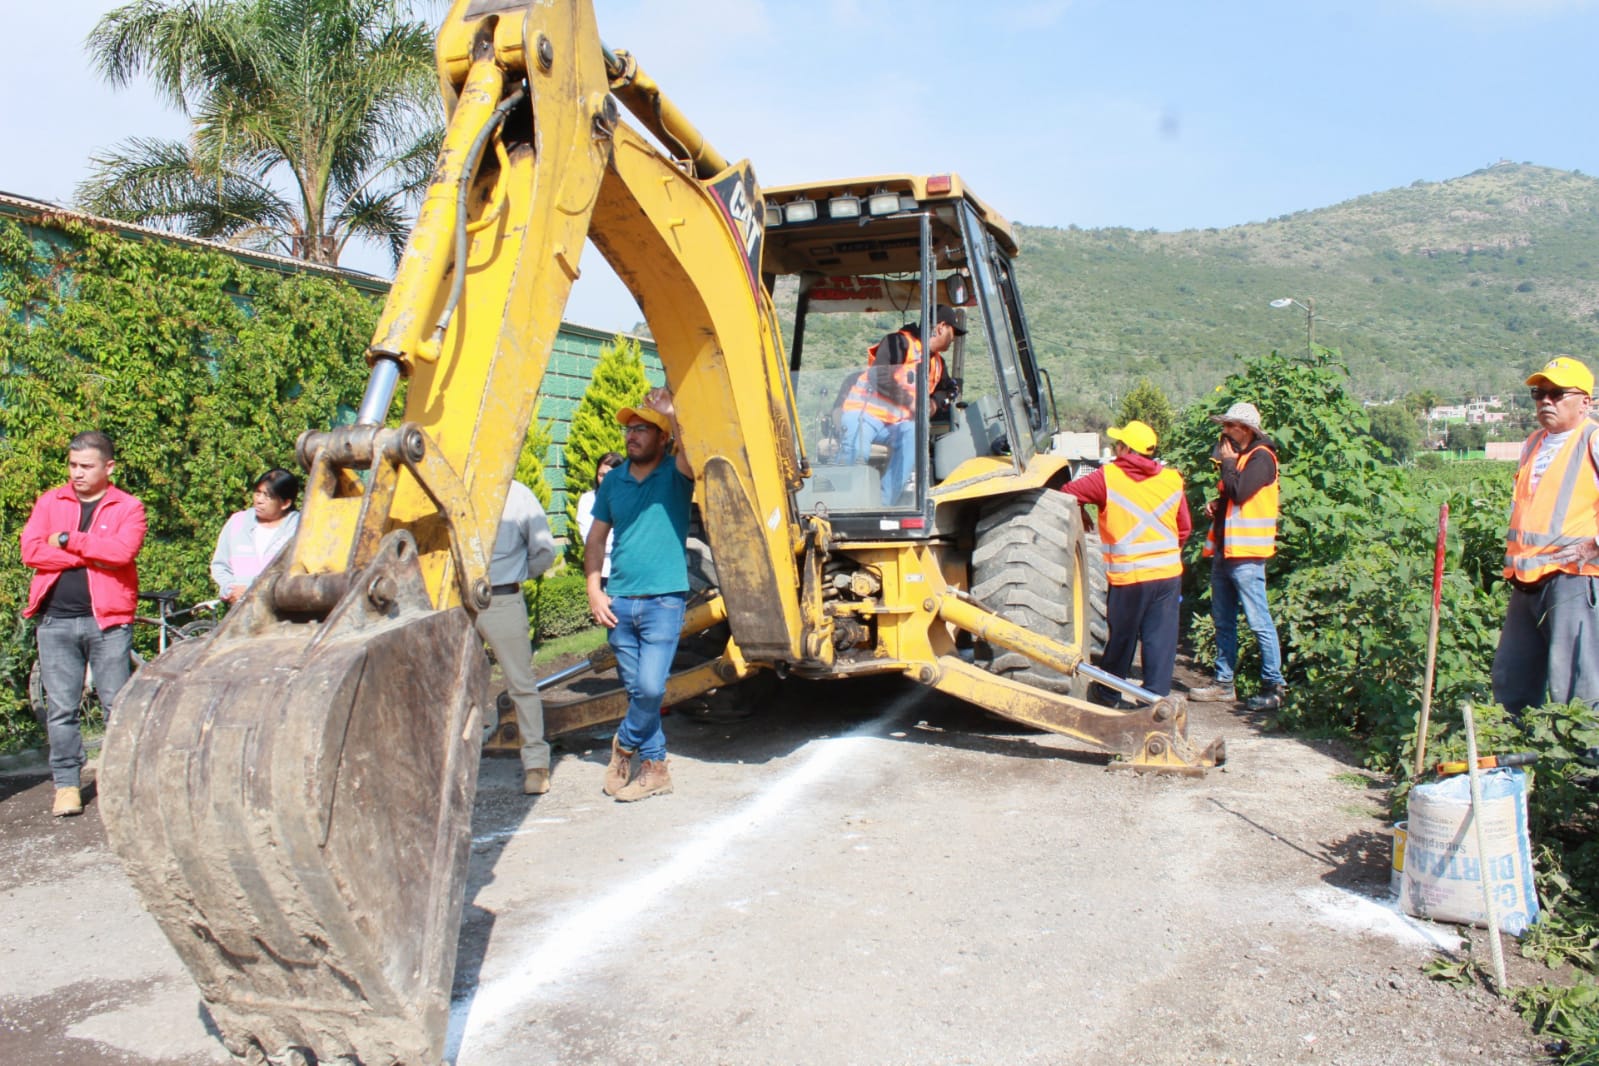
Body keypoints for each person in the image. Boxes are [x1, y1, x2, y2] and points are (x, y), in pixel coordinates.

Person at [20, 431, 147, 817]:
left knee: (116, 705)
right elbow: (31, 551)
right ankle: (67, 786)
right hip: (55, 620)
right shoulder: (51, 501)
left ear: (109, 467)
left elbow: (122, 552)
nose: (76, 473)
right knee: (60, 709)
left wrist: (65, 539)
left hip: (106, 621)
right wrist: (86, 554)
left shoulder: (128, 507)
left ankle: (120, 781)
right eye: (72, 465)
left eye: (86, 466)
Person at [585, 387, 694, 803]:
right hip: (620, 601)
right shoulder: (613, 481)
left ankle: (624, 745)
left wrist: (673, 410)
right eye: (629, 429)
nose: (632, 436)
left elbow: (692, 449)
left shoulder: (676, 472)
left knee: (650, 689)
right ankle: (656, 768)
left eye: (643, 429)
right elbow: (596, 539)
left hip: (664, 599)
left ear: (662, 438)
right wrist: (595, 589)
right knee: (637, 693)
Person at [1491, 355, 1599, 717]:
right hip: (1526, 582)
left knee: (1577, 686)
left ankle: (1584, 770)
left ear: (1585, 400)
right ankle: (1513, 765)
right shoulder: (1533, 444)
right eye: (1539, 394)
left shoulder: (1593, 441)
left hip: (1574, 580)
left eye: (1557, 393)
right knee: (1511, 680)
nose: (1545, 402)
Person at [1060, 420, 1190, 702]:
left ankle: (1107, 696)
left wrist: (1083, 514)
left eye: (1119, 444)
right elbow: (1184, 528)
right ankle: (1155, 702)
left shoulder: (1108, 477)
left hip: (1129, 577)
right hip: (1167, 575)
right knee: (1161, 641)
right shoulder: (1172, 479)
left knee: (1122, 638)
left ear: (1126, 448)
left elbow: (1067, 494)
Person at [1189, 401, 1287, 712]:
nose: (1224, 432)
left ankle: (1274, 686)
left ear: (1244, 430)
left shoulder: (1261, 458)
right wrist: (1218, 505)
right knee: (1224, 620)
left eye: (1229, 426)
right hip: (1228, 552)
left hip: (1246, 555)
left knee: (1259, 622)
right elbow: (1236, 496)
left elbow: (1241, 492)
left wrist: (1229, 463)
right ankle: (1223, 683)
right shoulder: (1246, 459)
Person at [476, 479, 559, 795]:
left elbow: (544, 551)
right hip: (457, 600)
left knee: (521, 684)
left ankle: (536, 766)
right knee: (456, 688)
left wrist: (513, 574)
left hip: (501, 597)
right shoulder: (455, 487)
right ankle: (457, 759)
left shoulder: (518, 494)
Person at [836, 305, 962, 505]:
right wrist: (909, 401)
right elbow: (880, 375)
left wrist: (934, 404)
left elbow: (948, 389)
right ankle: (840, 504)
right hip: (864, 414)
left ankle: (882, 505)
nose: (953, 337)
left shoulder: (938, 363)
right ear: (940, 327)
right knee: (858, 452)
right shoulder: (898, 343)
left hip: (895, 424)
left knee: (914, 435)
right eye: (952, 331)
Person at [210, 468, 301, 603]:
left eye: (267, 496)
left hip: (284, 612)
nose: (259, 500)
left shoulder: (300, 528)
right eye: (257, 493)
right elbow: (220, 565)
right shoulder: (237, 522)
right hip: (240, 611)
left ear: (285, 503)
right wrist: (230, 589)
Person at [576, 451, 623, 587]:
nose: (605, 480)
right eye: (601, 475)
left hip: (627, 571)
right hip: (601, 571)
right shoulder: (588, 500)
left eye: (610, 475)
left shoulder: (630, 500)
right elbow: (590, 538)